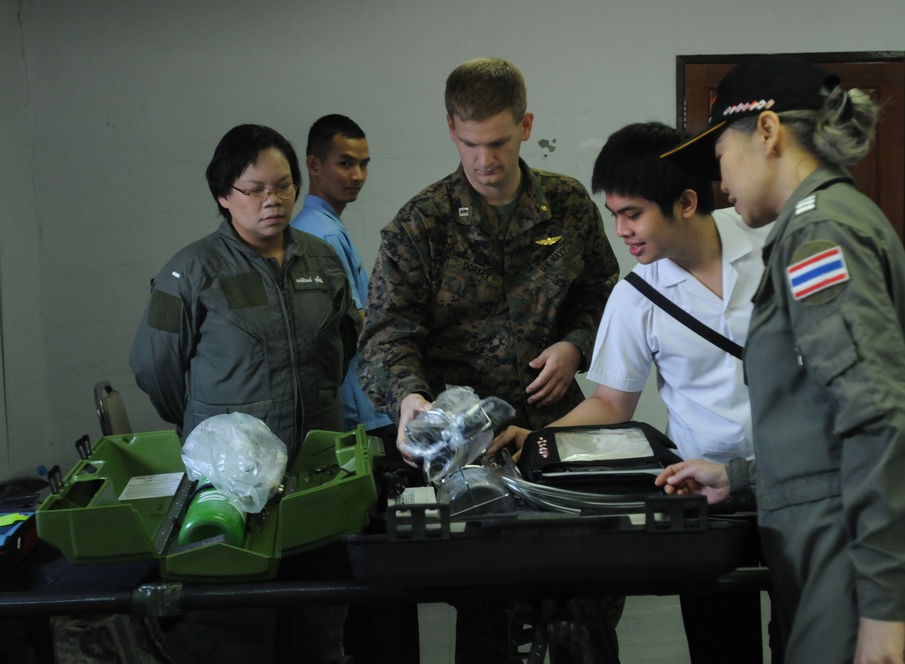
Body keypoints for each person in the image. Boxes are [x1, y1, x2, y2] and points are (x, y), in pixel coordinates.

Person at [655, 55, 905, 664]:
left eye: (720, 156)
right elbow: (824, 420)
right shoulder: (821, 224)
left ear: (766, 132)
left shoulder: (820, 237)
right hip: (846, 564)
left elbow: (878, 420)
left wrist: (881, 612)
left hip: (861, 579)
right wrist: (742, 478)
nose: (721, 184)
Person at [357, 57, 619, 663]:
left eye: (499, 142)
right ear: (451, 129)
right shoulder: (421, 225)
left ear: (525, 125)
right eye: (471, 143)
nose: (485, 160)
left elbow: (605, 295)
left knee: (589, 594)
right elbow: (385, 334)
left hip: (556, 429)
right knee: (487, 607)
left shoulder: (567, 204)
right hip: (466, 447)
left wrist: (576, 343)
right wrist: (409, 398)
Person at [488, 121, 776, 664]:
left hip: (794, 481)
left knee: (806, 635)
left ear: (686, 202)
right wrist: (538, 439)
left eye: (633, 213)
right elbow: (611, 404)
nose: (621, 230)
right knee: (721, 646)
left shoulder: (772, 244)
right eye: (614, 214)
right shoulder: (636, 295)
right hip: (702, 497)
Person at [130, 123, 360, 664]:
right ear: (222, 195)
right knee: (234, 632)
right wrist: (204, 430)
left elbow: (343, 348)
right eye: (254, 189)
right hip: (227, 489)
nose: (272, 200)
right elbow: (153, 367)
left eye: (283, 185)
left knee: (319, 626)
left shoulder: (322, 262)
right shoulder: (187, 273)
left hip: (313, 476)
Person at [290, 113, 420, 664]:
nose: (358, 174)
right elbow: (356, 325)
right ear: (313, 165)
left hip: (366, 410)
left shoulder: (329, 227)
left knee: (383, 569)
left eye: (365, 163)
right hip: (359, 419)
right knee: (381, 570)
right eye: (345, 163)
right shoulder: (317, 234)